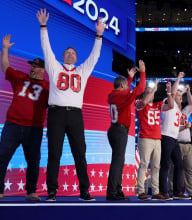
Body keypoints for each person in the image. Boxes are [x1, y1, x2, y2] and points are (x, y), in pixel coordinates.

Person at [36, 8, 106, 201]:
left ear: (76, 57)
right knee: (54, 153)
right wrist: (43, 27)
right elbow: (46, 49)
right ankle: (51, 191)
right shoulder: (54, 67)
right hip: (56, 114)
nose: (69, 54)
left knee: (80, 154)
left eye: (72, 52)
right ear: (62, 56)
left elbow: (94, 57)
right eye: (67, 52)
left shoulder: (82, 71)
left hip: (75, 115)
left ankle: (85, 191)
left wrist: (99, 35)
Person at [0, 35, 49, 201]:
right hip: (12, 125)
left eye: (35, 66)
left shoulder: (48, 88)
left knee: (34, 161)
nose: (32, 68)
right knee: (2, 156)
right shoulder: (20, 77)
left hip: (34, 129)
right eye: (32, 66)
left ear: (43, 70)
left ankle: (31, 192)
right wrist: (5, 49)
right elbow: (6, 66)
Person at [106, 60, 146, 201]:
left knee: (119, 160)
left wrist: (129, 78)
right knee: (117, 161)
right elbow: (140, 89)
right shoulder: (122, 95)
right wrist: (142, 72)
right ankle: (112, 192)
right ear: (122, 86)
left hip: (113, 130)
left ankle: (117, 190)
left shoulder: (113, 95)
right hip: (119, 131)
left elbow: (125, 93)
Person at [136, 81, 174, 200]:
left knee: (156, 166)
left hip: (157, 139)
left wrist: (169, 92)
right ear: (144, 95)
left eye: (151, 92)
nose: (150, 94)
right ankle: (141, 191)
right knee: (143, 164)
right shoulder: (139, 103)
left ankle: (156, 191)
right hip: (145, 138)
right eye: (147, 92)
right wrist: (153, 90)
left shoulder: (157, 105)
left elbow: (171, 106)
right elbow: (143, 102)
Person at [159, 72, 190, 200]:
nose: (180, 96)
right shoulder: (168, 102)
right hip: (166, 137)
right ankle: (163, 192)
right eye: (178, 95)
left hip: (174, 138)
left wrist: (185, 127)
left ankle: (177, 192)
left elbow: (176, 127)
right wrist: (178, 78)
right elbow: (173, 92)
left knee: (179, 165)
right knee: (165, 164)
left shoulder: (177, 108)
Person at [170, 84, 192, 200]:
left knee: (189, 169)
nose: (180, 98)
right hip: (176, 143)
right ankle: (173, 190)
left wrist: (188, 92)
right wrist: (185, 127)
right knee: (175, 169)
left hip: (187, 144)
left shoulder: (184, 112)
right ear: (173, 97)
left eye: (181, 96)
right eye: (178, 96)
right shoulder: (171, 110)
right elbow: (172, 129)